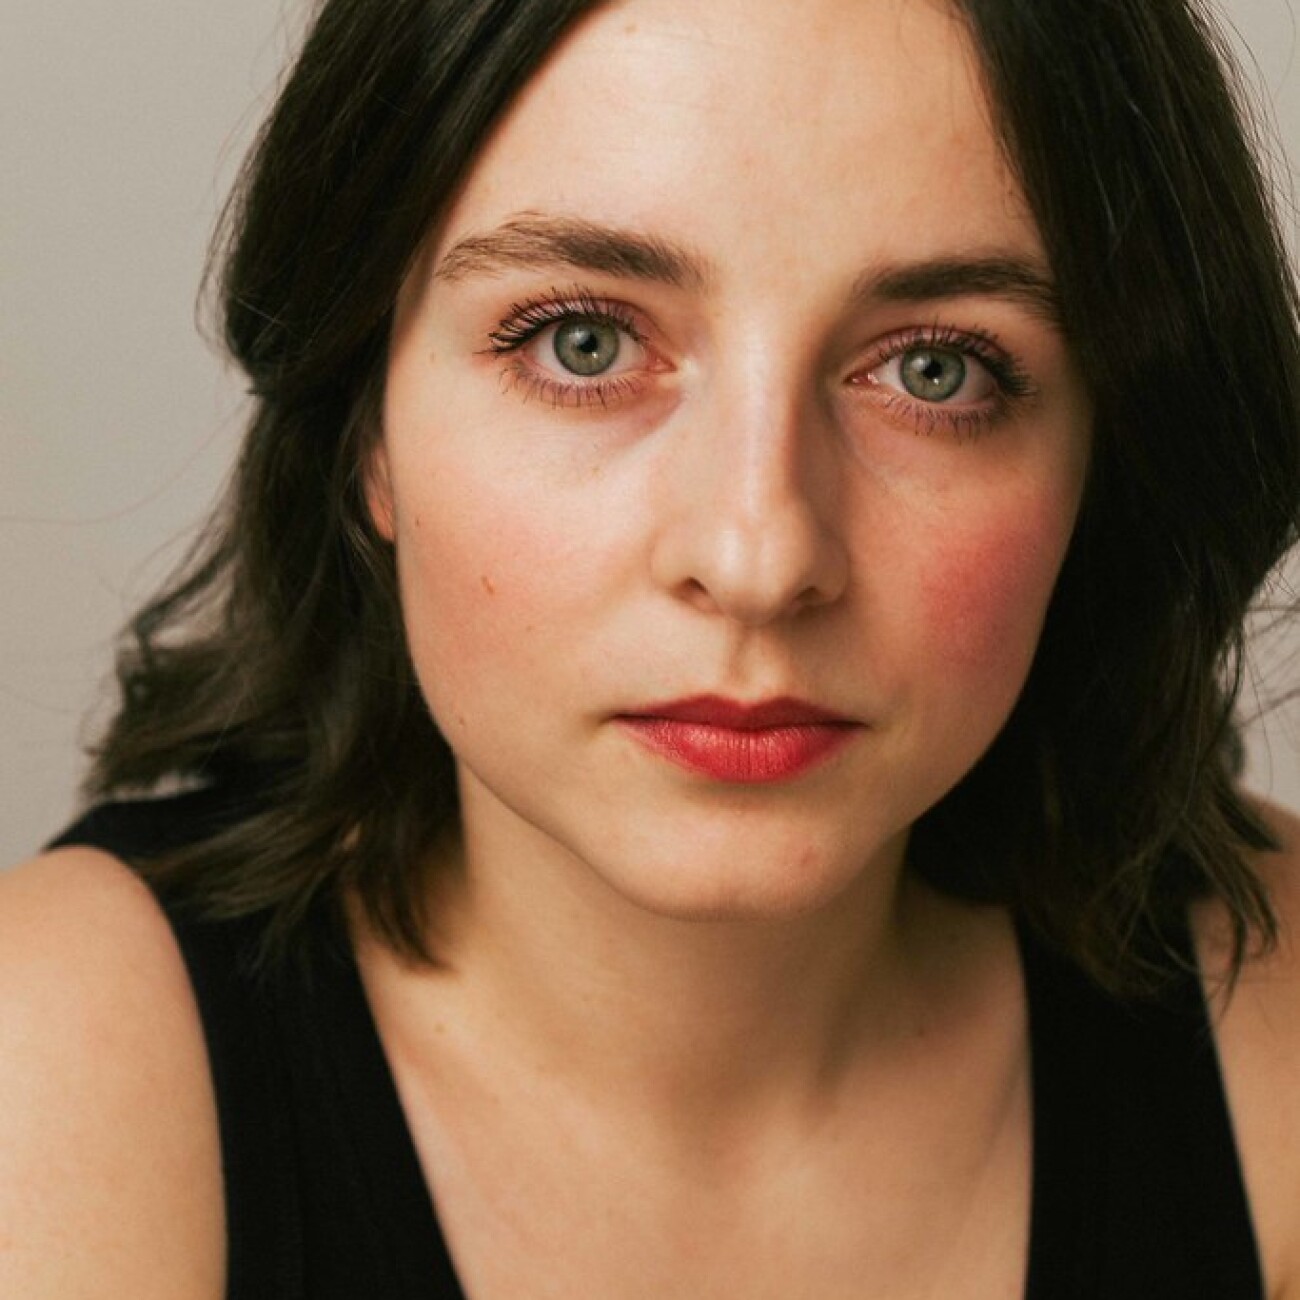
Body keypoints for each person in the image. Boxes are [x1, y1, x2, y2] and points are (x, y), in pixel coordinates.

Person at [4, 0, 1300, 1294]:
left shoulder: (1275, 1030)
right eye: (585, 343)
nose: (759, 557)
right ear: (368, 432)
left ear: (1102, 453)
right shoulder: (53, 1073)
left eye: (935, 371)